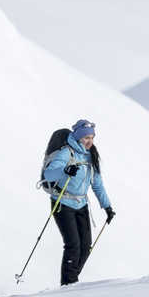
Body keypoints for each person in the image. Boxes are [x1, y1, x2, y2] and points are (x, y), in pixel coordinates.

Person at [41, 119, 113, 285]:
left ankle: (71, 279)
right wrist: (64, 169)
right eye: (86, 137)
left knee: (86, 246)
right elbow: (49, 174)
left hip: (81, 204)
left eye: (92, 138)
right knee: (73, 245)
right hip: (62, 203)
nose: (90, 141)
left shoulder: (90, 156)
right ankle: (68, 284)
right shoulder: (66, 153)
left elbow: (97, 183)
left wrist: (107, 206)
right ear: (78, 137)